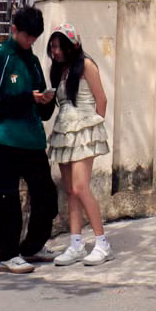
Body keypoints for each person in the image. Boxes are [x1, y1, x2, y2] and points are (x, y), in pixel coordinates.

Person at [0, 5, 60, 274]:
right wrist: (28, 98)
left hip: (33, 140)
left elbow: (42, 110)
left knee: (47, 196)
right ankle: (8, 254)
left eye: (34, 38)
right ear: (14, 30)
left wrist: (46, 102)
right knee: (7, 197)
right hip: (5, 138)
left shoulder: (34, 61)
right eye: (27, 36)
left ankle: (32, 246)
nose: (31, 42)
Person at [45, 24, 112, 267]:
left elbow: (101, 99)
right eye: (52, 46)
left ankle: (102, 243)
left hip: (83, 130)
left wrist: (93, 128)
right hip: (64, 131)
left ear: (73, 45)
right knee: (71, 189)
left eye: (60, 46)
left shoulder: (86, 65)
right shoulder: (60, 70)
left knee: (82, 187)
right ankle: (76, 244)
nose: (56, 51)